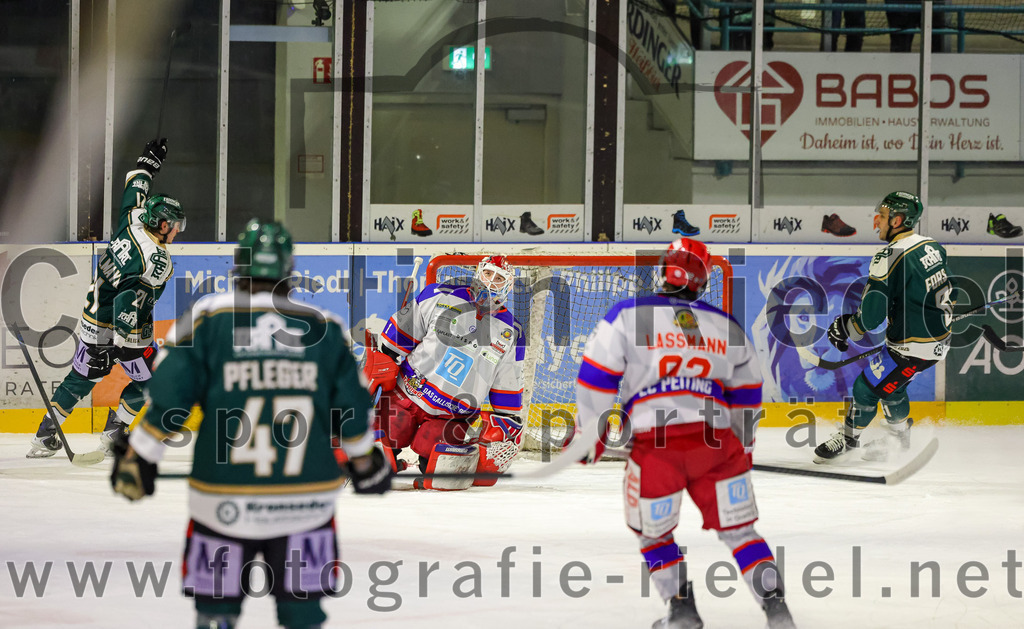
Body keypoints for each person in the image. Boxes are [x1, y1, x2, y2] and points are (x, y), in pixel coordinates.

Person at [110, 218, 390, 629]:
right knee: (303, 616)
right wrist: (366, 463)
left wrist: (140, 456)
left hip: (220, 503)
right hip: (306, 506)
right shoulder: (325, 326)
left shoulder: (207, 317)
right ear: (289, 270)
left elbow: (169, 400)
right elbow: (351, 410)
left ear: (239, 268)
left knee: (215, 613)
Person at [574, 238, 796, 629]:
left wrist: (591, 435)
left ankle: (682, 613)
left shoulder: (629, 314)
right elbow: (747, 392)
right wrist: (741, 450)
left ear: (663, 271)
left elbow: (595, 377)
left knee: (653, 534)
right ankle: (778, 612)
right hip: (717, 445)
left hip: (656, 447)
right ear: (702, 279)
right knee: (741, 532)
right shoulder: (725, 325)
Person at [27, 138, 184, 459]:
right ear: (162, 224)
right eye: (176, 224)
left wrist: (148, 163)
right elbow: (132, 298)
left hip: (92, 321)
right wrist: (124, 341)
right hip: (124, 332)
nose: (178, 230)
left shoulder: (132, 218)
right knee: (155, 378)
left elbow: (135, 181)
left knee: (82, 377)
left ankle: (45, 437)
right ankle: (115, 432)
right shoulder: (156, 260)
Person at [363, 255, 525, 490]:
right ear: (478, 273)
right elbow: (395, 340)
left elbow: (507, 385)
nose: (491, 282)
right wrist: (381, 363)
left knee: (441, 471)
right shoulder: (439, 294)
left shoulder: (512, 332)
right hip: (407, 394)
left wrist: (507, 422)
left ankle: (425, 462)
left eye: (499, 278)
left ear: (508, 286)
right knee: (384, 441)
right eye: (488, 274)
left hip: (452, 414)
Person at [815, 191, 954, 462]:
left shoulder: (888, 257)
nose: (876, 221)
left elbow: (870, 318)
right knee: (893, 386)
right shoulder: (932, 246)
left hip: (912, 347)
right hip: (937, 342)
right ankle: (899, 438)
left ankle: (848, 440)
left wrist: (846, 328)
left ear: (897, 220)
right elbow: (948, 289)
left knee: (865, 388)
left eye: (882, 215)